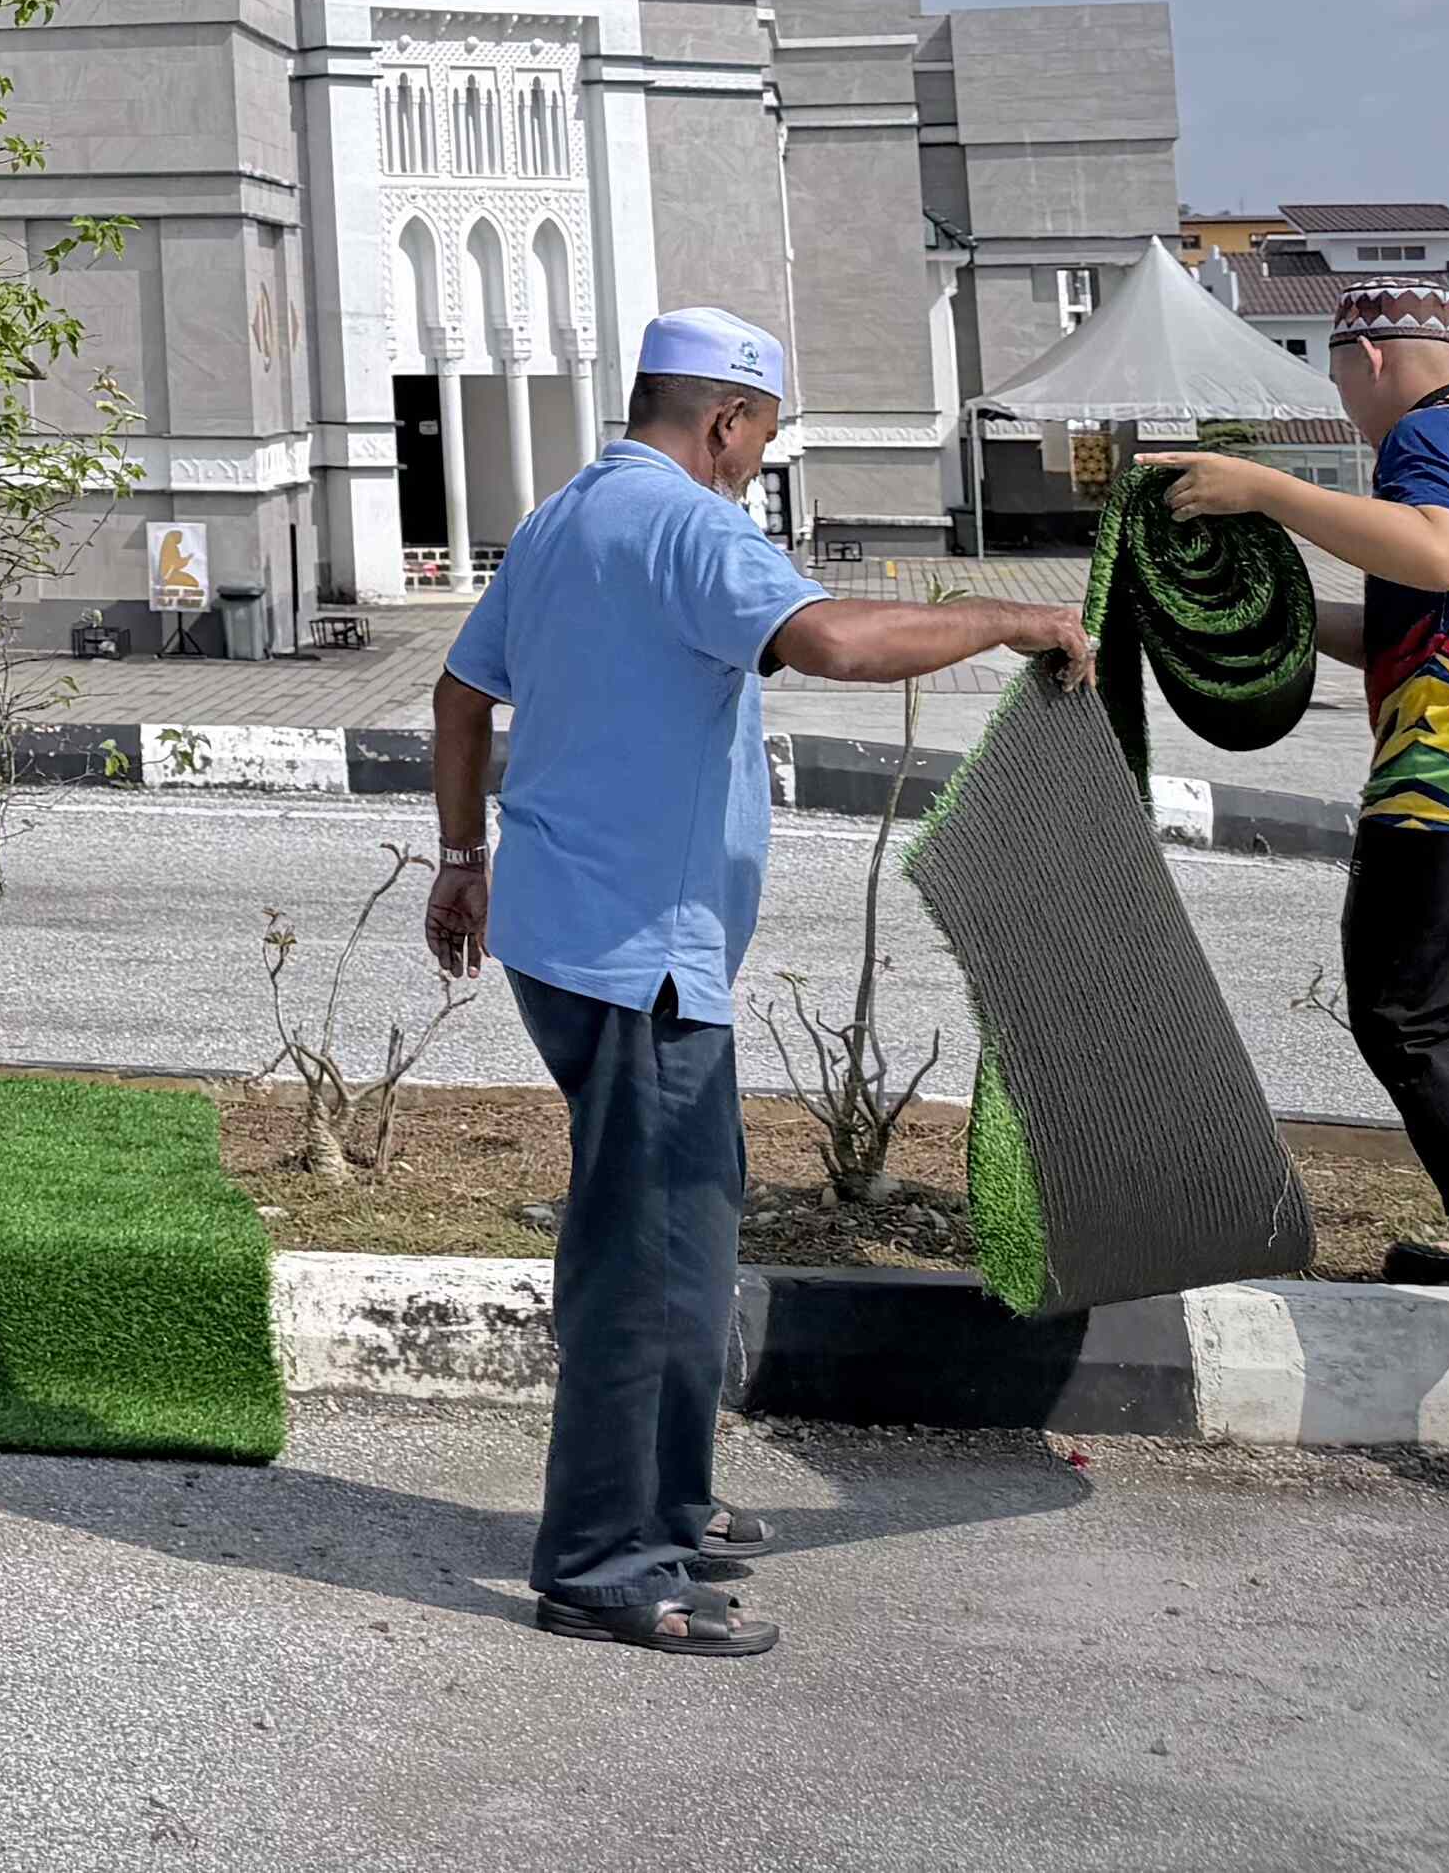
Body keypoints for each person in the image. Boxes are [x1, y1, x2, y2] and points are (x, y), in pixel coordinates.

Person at [428, 311, 1089, 1655]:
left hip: (571, 936)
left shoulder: (565, 515)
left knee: (686, 1230)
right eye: (762, 439)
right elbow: (834, 641)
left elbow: (456, 688)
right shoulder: (692, 526)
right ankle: (606, 1562)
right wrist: (1009, 619)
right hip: (639, 961)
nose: (757, 466)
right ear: (725, 420)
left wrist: (460, 855)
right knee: (650, 1263)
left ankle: (666, 1498)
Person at [1137, 273, 1449, 1449]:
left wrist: (1264, 488)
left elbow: (1431, 552)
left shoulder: (1430, 436)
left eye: (1337, 377)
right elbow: (1427, 605)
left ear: (1362, 361)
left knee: (1418, 1020)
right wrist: (1266, 606)